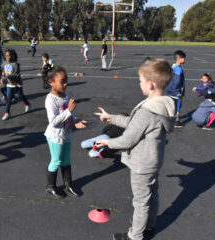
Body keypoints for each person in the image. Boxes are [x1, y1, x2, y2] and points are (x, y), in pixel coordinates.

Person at [94, 59, 175, 240]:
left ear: (151, 84)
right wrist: (111, 118)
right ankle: (150, 225)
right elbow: (133, 123)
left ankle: (135, 236)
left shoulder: (147, 111)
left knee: (140, 201)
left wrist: (108, 143)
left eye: (140, 81)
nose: (139, 84)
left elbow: (127, 139)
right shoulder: (163, 104)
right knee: (152, 194)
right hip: (154, 161)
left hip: (142, 164)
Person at [44, 66, 87, 198]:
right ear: (51, 82)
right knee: (56, 161)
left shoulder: (66, 96)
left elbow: (68, 115)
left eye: (66, 80)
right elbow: (53, 121)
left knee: (66, 161)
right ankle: (50, 187)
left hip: (66, 134)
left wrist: (75, 119)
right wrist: (69, 111)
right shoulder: (51, 99)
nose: (65, 84)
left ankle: (68, 185)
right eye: (62, 81)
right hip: (55, 136)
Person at [0, 49, 31, 120]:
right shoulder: (4, 63)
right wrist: (2, 78)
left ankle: (28, 105)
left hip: (17, 83)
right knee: (8, 98)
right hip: (9, 84)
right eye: (6, 55)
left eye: (8, 55)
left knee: (21, 96)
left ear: (12, 55)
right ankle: (7, 113)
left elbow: (15, 75)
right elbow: (3, 72)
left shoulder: (15, 65)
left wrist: (6, 77)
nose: (7, 57)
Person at [167, 50, 186, 128]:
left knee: (172, 105)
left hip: (171, 90)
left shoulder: (174, 66)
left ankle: (171, 119)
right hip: (176, 92)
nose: (185, 60)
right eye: (184, 58)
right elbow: (176, 81)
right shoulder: (178, 69)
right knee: (177, 106)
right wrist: (177, 92)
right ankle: (176, 121)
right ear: (179, 59)